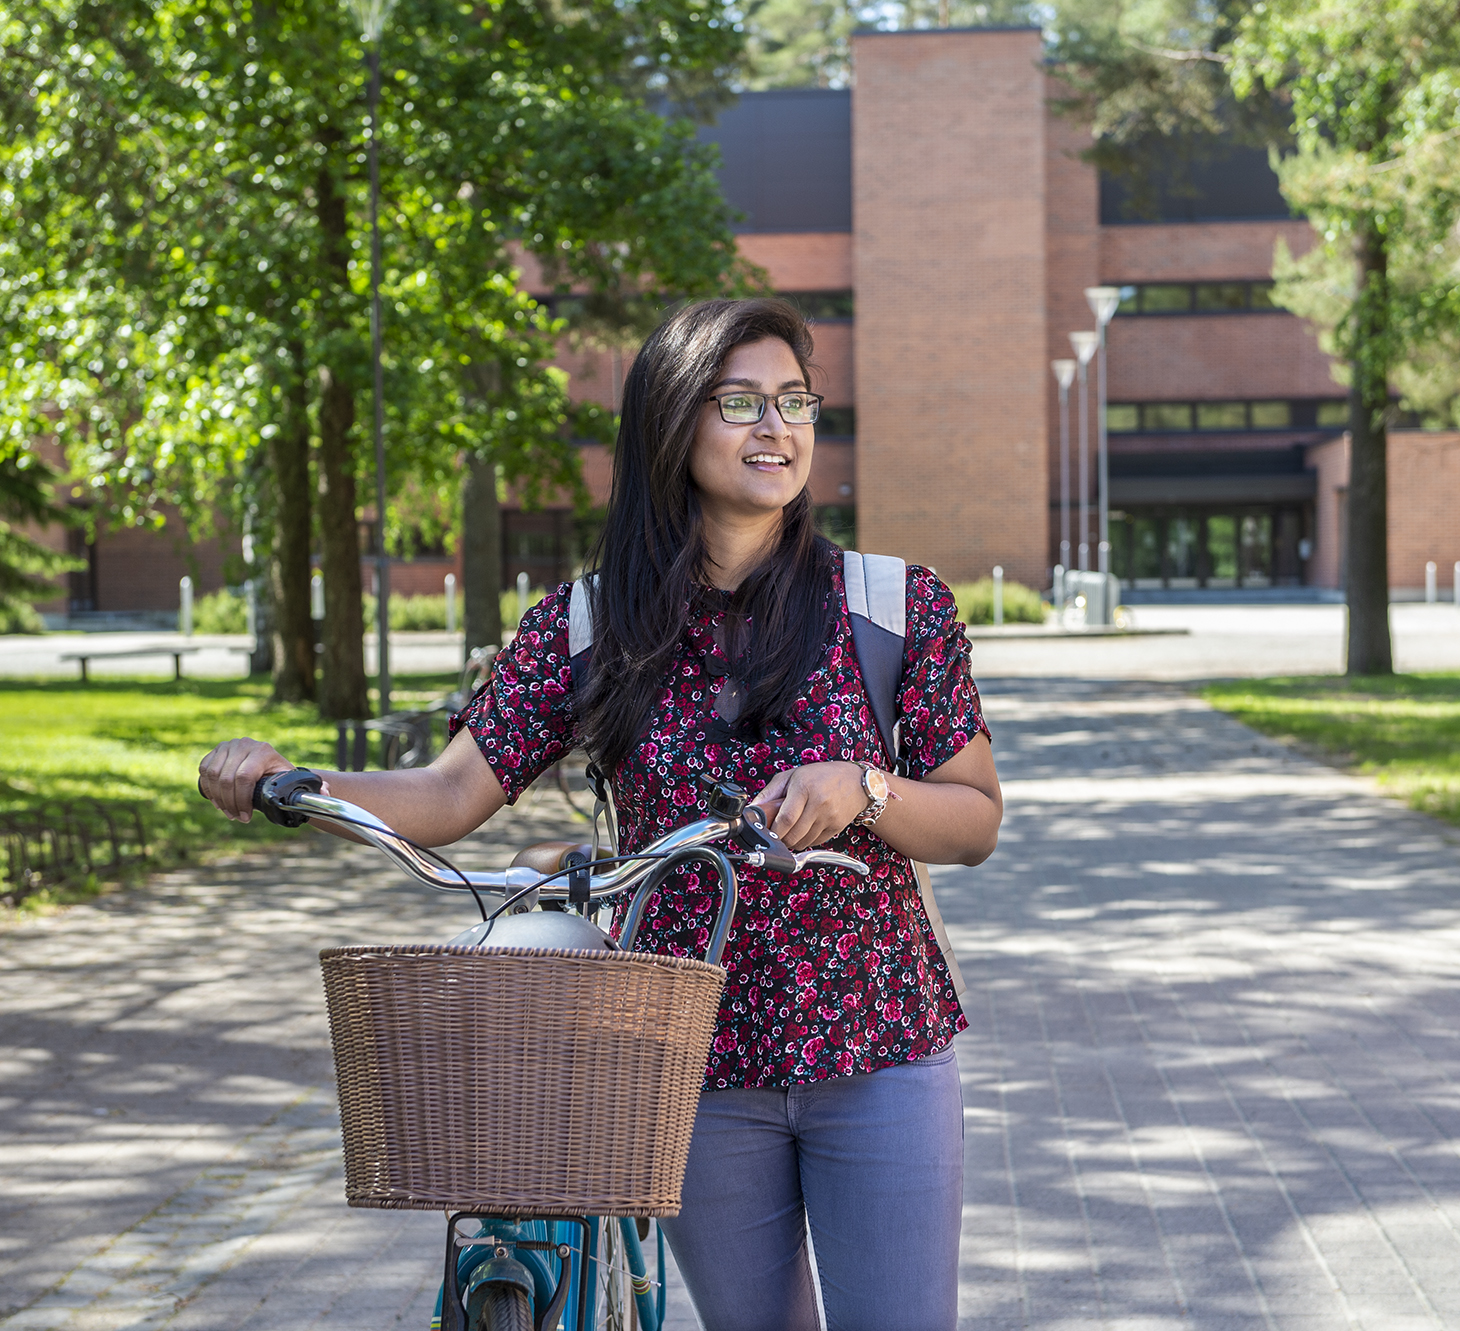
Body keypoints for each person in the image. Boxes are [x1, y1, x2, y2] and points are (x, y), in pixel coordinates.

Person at [197, 297, 1003, 1330]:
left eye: (794, 400)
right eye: (741, 401)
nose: (778, 426)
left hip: (878, 1038)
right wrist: (293, 782)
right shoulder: (588, 623)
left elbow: (972, 820)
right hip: (685, 1052)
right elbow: (450, 792)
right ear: (673, 422)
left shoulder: (893, 605)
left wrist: (866, 787)